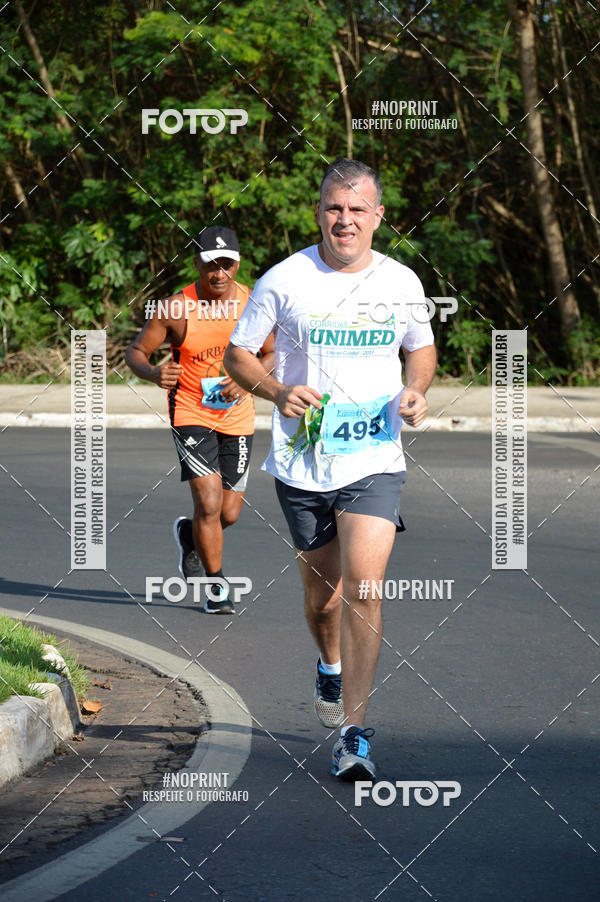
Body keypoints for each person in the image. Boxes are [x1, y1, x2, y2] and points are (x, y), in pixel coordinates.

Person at [224, 159, 437, 778]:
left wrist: (416, 391)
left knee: (365, 589)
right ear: (319, 212)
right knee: (324, 599)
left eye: (356, 210)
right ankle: (329, 665)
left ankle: (354, 731)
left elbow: (419, 352)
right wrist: (274, 390)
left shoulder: (401, 281)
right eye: (333, 208)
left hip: (374, 457)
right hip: (303, 461)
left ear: (378, 217)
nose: (344, 221)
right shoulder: (284, 280)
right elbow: (240, 354)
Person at [126, 225, 274, 615]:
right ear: (197, 264)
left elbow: (274, 353)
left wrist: (247, 382)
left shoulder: (254, 303)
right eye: (211, 264)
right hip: (191, 411)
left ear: (237, 265)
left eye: (227, 264)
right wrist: (153, 373)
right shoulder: (175, 308)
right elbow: (137, 350)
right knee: (208, 503)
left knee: (229, 513)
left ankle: (189, 537)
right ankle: (217, 588)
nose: (219, 273)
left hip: (238, 414)